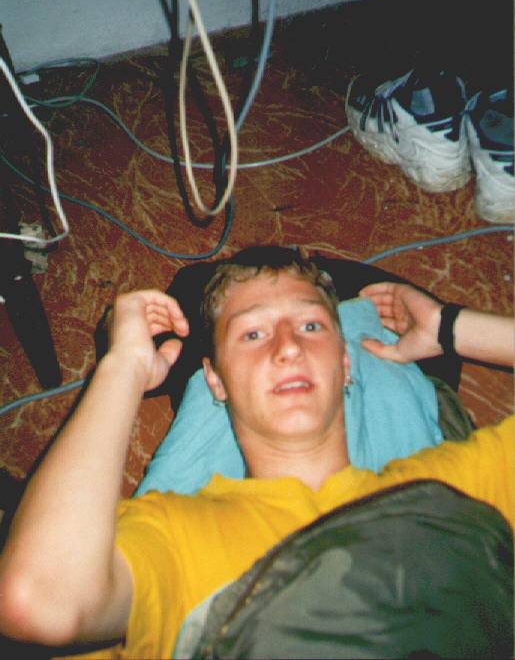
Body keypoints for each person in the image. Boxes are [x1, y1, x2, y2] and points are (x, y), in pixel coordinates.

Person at [0, 247, 512, 659]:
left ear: (345, 363)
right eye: (252, 333)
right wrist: (123, 368)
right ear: (215, 381)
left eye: (310, 326)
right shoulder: (181, 538)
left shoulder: (451, 483)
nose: (288, 347)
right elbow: (40, 599)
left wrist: (447, 327)